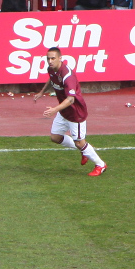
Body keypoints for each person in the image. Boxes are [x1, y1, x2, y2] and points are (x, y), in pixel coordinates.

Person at [33, 45, 107, 176]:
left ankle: (100, 165)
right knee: (55, 137)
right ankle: (83, 150)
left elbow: (71, 99)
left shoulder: (68, 75)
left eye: (53, 59)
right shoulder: (51, 69)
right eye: (48, 58)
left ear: (60, 58)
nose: (50, 61)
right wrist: (41, 92)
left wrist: (54, 109)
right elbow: (52, 79)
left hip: (75, 113)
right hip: (64, 111)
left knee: (79, 142)